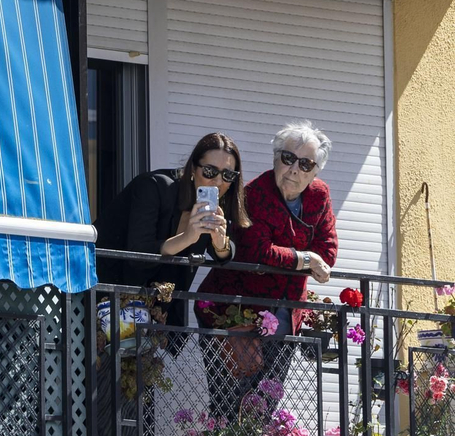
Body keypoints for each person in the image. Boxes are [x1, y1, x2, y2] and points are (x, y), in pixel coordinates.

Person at [95, 132, 249, 326]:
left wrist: (220, 244)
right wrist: (188, 237)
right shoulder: (154, 187)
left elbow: (227, 252)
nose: (218, 182)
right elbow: (139, 253)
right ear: (193, 168)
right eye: (210, 171)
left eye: (228, 175)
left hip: (151, 305)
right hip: (103, 289)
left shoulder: (216, 202)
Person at [202, 121, 339, 332]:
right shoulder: (254, 195)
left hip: (287, 311)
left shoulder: (320, 195)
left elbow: (327, 253)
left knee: (279, 365)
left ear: (315, 172)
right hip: (235, 312)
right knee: (242, 366)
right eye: (288, 158)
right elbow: (260, 252)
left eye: (305, 164)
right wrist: (309, 259)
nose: (294, 169)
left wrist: (305, 259)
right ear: (275, 158)